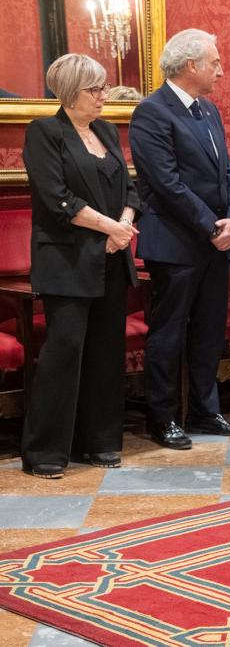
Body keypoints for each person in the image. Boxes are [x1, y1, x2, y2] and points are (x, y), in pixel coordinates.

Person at [20, 54, 140, 478]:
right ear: (70, 91)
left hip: (110, 256)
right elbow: (57, 200)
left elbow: (130, 186)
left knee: (107, 353)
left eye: (104, 88)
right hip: (67, 261)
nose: (103, 96)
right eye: (95, 89)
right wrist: (111, 228)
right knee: (64, 354)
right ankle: (46, 450)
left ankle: (100, 441)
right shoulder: (44, 132)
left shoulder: (105, 130)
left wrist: (122, 227)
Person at [129, 28, 230, 450]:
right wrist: (211, 225)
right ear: (191, 66)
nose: (220, 70)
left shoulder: (208, 111)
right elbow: (165, 183)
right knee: (169, 332)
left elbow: (228, 173)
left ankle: (204, 410)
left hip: (216, 241)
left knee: (209, 330)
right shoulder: (151, 112)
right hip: (176, 243)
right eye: (215, 62)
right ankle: (163, 418)